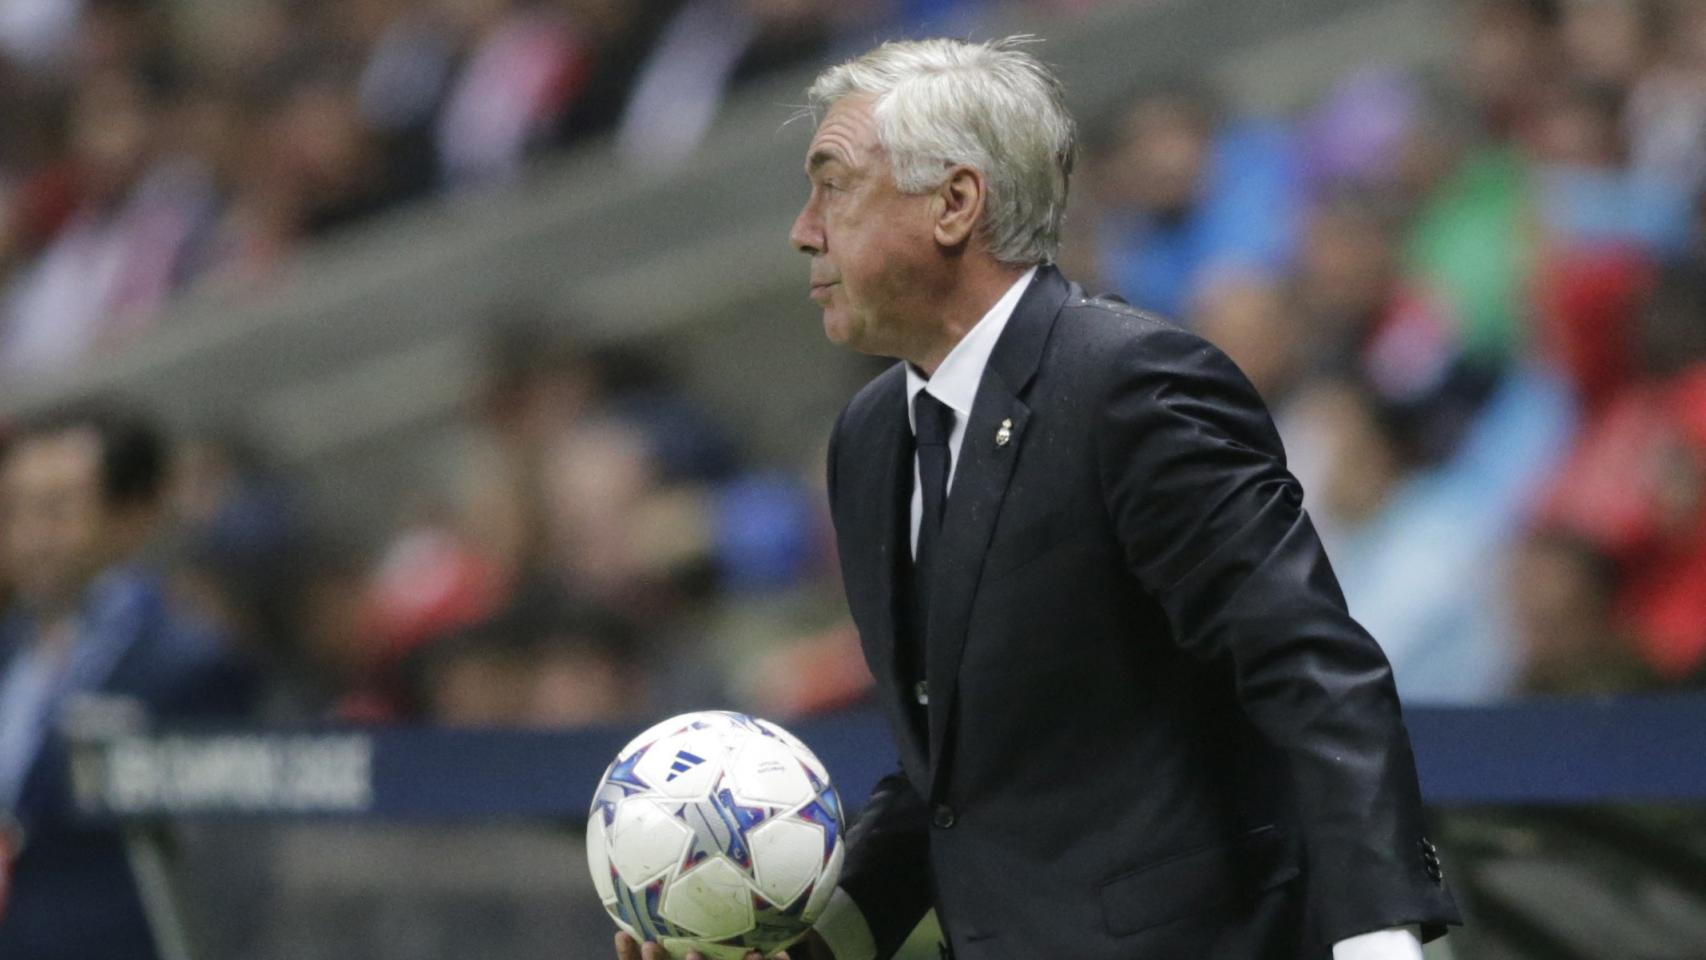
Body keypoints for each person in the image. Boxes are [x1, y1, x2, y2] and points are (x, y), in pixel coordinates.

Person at [618, 37, 1458, 960]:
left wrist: (1380, 938)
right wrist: (812, 949)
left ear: (955, 203)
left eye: (834, 183)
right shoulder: (869, 440)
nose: (803, 228)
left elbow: (1311, 671)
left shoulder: (1129, 384)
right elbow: (949, 769)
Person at [0, 400, 257, 960]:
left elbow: (230, 875)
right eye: (14, 509)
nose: (31, 535)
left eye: (57, 509)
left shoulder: (187, 665)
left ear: (131, 516)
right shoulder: (10, 651)